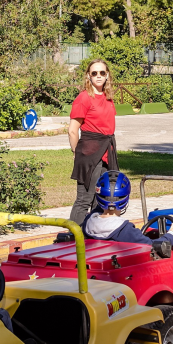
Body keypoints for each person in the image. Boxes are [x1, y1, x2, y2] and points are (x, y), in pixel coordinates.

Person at [83, 170, 173, 292]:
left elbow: (100, 209)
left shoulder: (88, 223)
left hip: (101, 274)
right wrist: (172, 235)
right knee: (172, 261)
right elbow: (153, 247)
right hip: (130, 277)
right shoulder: (124, 230)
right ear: (125, 198)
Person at [69, 59, 118, 225]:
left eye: (102, 73)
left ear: (107, 75)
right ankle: (74, 235)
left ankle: (93, 233)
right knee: (85, 199)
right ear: (88, 76)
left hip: (107, 151)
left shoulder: (108, 97)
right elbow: (72, 130)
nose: (98, 76)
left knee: (102, 198)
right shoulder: (83, 98)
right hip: (89, 152)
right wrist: (76, 152)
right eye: (94, 73)